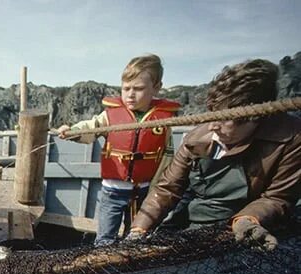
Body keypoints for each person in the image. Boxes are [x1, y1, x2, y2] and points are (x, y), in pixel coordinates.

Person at [128, 59, 301, 250]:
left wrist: (247, 220)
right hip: (193, 222)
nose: (211, 126)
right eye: (211, 114)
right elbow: (166, 189)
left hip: (243, 229)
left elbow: (277, 197)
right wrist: (139, 229)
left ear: (255, 117)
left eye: (223, 119)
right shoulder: (195, 139)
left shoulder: (290, 137)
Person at [57, 54, 180, 247]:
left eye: (138, 89)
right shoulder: (110, 115)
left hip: (145, 192)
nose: (130, 94)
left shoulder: (164, 121)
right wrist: (72, 131)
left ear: (156, 87)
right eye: (126, 88)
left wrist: (158, 185)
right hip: (113, 191)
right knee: (105, 239)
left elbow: (167, 155)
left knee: (139, 238)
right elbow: (92, 127)